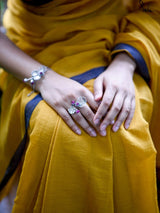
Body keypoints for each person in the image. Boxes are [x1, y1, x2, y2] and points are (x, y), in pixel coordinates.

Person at [0, 0, 160, 212]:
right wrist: (43, 79)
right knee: (57, 130)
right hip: (30, 51)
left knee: (118, 124)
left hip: (121, 37)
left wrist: (125, 63)